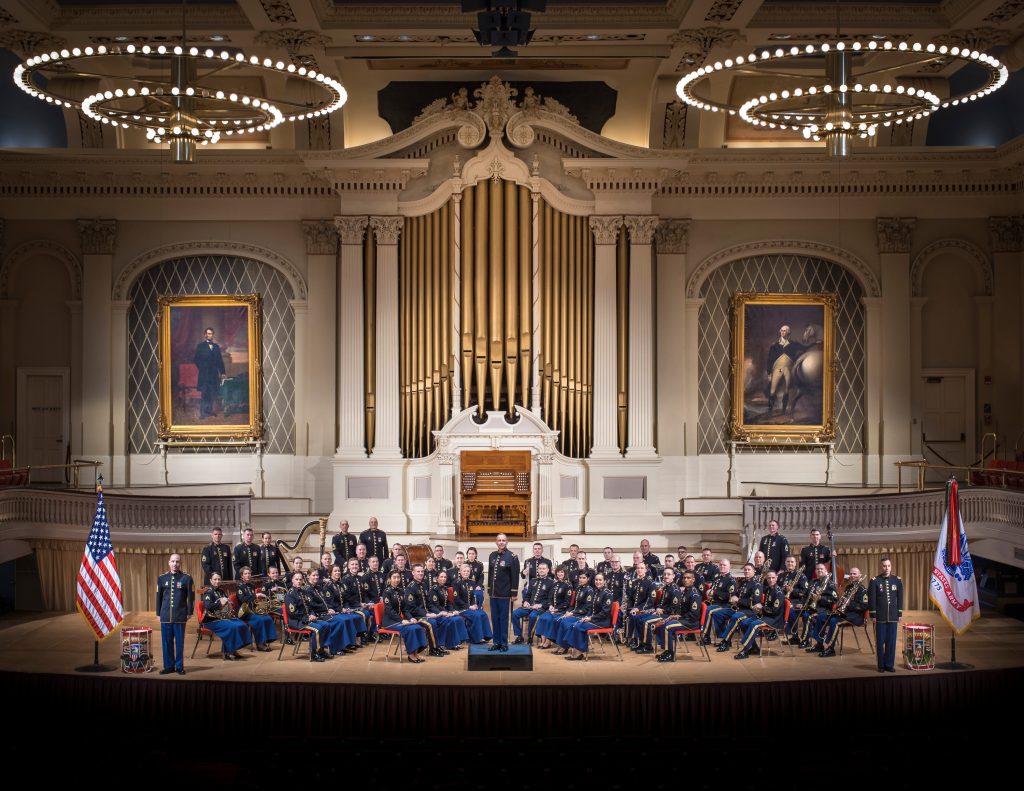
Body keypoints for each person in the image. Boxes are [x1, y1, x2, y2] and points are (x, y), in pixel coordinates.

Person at [730, 570, 785, 660]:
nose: (771, 580)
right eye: (769, 578)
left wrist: (761, 608)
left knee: (754, 625)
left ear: (776, 578)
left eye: (773, 578)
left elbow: (775, 611)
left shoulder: (778, 593)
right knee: (744, 623)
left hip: (774, 619)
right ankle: (754, 647)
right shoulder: (768, 589)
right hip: (765, 616)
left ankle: (745, 650)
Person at [816, 567, 869, 658]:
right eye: (851, 574)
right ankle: (819, 644)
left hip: (856, 616)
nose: (852, 576)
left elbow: (865, 606)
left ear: (859, 576)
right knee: (821, 617)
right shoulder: (848, 587)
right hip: (845, 613)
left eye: (854, 574)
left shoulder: (862, 590)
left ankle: (830, 648)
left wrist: (849, 604)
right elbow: (843, 601)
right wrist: (840, 604)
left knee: (834, 621)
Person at [156, 553, 194, 675]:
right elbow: (158, 597)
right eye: (173, 561)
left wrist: (189, 612)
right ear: (169, 562)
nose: (175, 564)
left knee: (179, 643)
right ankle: (168, 666)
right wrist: (158, 613)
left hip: (180, 615)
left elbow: (191, 597)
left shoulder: (186, 578)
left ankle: (179, 666)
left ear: (180, 563)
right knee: (166, 643)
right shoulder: (162, 578)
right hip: (166, 615)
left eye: (177, 562)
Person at [562, 572, 615, 660]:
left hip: (602, 622)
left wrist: (590, 618)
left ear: (605, 581)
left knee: (578, 627)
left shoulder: (607, 594)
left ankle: (579, 653)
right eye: (596, 580)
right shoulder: (596, 591)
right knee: (574, 624)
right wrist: (586, 617)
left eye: (600, 580)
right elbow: (591, 609)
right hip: (594, 619)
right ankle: (576, 651)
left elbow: (604, 613)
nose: (598, 582)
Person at [380, 570, 428, 663]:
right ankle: (410, 654)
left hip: (399, 620)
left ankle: (416, 653)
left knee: (417, 627)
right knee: (409, 629)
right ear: (390, 579)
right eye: (394, 577)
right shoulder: (386, 592)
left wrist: (410, 618)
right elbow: (389, 610)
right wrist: (401, 620)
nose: (397, 579)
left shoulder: (401, 591)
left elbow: (405, 609)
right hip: (389, 622)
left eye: (398, 577)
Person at [655, 570, 702, 662]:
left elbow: (694, 615)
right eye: (684, 578)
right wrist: (676, 615)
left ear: (693, 580)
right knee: (661, 623)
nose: (685, 580)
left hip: (691, 622)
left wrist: (679, 617)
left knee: (667, 627)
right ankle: (667, 650)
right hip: (684, 619)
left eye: (688, 578)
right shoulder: (686, 591)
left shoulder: (694, 594)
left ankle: (670, 654)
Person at [202, 573, 251, 660]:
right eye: (215, 579)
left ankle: (234, 648)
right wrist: (220, 603)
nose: (217, 581)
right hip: (211, 620)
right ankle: (228, 652)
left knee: (241, 624)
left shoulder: (221, 591)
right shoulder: (208, 592)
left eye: (219, 579)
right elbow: (208, 606)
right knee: (232, 627)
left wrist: (229, 604)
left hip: (222, 618)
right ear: (210, 580)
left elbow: (226, 605)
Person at [284, 570, 331, 662]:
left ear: (302, 581)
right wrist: (307, 617)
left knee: (326, 625)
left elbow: (310, 606)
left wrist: (312, 614)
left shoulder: (303, 592)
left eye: (300, 579)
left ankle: (321, 649)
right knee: (317, 629)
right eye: (296, 579)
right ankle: (314, 653)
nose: (298, 581)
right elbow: (293, 613)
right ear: (292, 580)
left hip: (306, 619)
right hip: (297, 622)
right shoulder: (290, 595)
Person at [718, 563, 763, 654]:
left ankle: (726, 641)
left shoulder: (756, 585)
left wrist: (738, 600)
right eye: (745, 569)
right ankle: (754, 647)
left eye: (748, 569)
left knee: (736, 617)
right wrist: (733, 598)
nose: (746, 571)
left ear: (754, 571)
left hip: (751, 611)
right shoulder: (743, 582)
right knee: (718, 613)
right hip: (740, 609)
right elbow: (738, 595)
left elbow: (754, 602)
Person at [868, 558, 903, 673]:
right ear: (881, 567)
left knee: (891, 642)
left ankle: (889, 665)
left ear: (891, 566)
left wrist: (899, 613)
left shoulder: (897, 580)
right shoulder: (874, 581)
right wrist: (873, 614)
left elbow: (900, 598)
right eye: (884, 566)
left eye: (888, 566)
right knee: (880, 642)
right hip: (880, 617)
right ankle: (881, 665)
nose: (886, 568)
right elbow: (872, 599)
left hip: (893, 616)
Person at [404, 563, 446, 657]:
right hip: (415, 615)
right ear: (413, 573)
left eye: (422, 571)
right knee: (432, 623)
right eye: (418, 571)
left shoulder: (424, 584)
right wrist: (426, 614)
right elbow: (412, 607)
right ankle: (433, 649)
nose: (420, 573)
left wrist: (438, 612)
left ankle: (438, 646)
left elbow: (429, 603)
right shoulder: (410, 588)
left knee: (441, 619)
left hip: (426, 613)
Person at [487, 533, 520, 652]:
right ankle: (496, 642)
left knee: (503, 619)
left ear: (507, 542)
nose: (501, 542)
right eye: (499, 540)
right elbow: (491, 573)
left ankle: (504, 643)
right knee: (494, 618)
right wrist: (490, 589)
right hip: (494, 594)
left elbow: (515, 576)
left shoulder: (512, 556)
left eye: (503, 540)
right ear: (496, 542)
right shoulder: (492, 555)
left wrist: (514, 593)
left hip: (505, 594)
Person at [552, 569, 595, 656]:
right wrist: (568, 611)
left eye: (584, 578)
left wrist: (573, 613)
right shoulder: (578, 588)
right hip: (576, 613)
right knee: (558, 620)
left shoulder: (589, 590)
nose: (581, 580)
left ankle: (565, 646)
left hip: (583, 615)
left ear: (588, 579)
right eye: (580, 578)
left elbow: (587, 608)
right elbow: (573, 604)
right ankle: (561, 645)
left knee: (564, 622)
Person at [766, 324, 806, 415]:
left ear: (788, 332)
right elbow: (769, 360)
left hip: (788, 369)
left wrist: (816, 343)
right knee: (772, 391)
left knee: (786, 390)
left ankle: (783, 411)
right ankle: (770, 411)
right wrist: (769, 373)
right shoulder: (774, 346)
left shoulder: (794, 344)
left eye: (784, 330)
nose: (782, 332)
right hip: (778, 369)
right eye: (781, 330)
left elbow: (804, 348)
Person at [512, 561, 554, 644]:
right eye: (540, 569)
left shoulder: (551, 582)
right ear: (538, 570)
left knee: (532, 616)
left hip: (541, 608)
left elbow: (550, 599)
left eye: (543, 569)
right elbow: (527, 595)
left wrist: (540, 605)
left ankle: (530, 637)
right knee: (515, 613)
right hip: (529, 606)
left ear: (547, 570)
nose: (541, 570)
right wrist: (525, 601)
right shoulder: (532, 581)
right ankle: (519, 636)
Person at [235, 566, 276, 651]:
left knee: (267, 617)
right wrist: (256, 595)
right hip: (244, 612)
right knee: (259, 620)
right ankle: (259, 644)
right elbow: (243, 599)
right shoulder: (239, 587)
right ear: (242, 576)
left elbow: (254, 600)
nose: (248, 575)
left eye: (249, 573)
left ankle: (267, 639)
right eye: (245, 574)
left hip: (253, 610)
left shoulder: (252, 586)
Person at [797, 563, 837, 649]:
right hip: (813, 608)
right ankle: (806, 640)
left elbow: (834, 600)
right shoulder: (813, 582)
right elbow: (806, 595)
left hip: (824, 610)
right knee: (805, 615)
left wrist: (820, 598)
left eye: (821, 569)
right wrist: (802, 603)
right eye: (817, 569)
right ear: (815, 571)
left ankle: (817, 643)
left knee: (808, 617)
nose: (819, 570)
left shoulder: (830, 584)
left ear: (826, 571)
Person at [452, 563, 493, 644]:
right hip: (461, 608)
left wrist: (474, 604)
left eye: (468, 571)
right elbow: (456, 599)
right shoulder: (456, 582)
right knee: (476, 615)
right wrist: (469, 606)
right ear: (460, 572)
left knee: (483, 614)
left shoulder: (472, 582)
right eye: (464, 571)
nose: (466, 573)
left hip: (470, 607)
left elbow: (473, 596)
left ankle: (486, 636)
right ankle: (477, 638)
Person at [428, 569, 469, 649]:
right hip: (437, 613)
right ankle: (450, 644)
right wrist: (446, 612)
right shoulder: (434, 589)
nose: (443, 578)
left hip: (445, 612)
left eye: (445, 577)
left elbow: (448, 603)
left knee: (459, 618)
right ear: (437, 578)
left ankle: (458, 642)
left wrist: (453, 611)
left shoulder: (445, 589)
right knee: (452, 620)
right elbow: (435, 605)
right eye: (441, 577)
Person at [534, 565, 573, 650]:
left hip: (562, 610)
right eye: (558, 572)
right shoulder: (554, 584)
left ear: (565, 573)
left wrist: (557, 609)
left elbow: (567, 602)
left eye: (562, 572)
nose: (560, 573)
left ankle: (548, 642)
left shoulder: (568, 585)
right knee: (542, 618)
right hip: (552, 609)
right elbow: (549, 598)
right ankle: (543, 641)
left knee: (549, 619)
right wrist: (550, 606)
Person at [193, 326, 225, 418]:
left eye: (211, 333)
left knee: (212, 393)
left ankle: (210, 411)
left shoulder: (216, 347)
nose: (209, 335)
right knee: (204, 393)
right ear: (205, 335)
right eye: (208, 333)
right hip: (204, 374)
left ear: (213, 335)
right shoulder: (200, 346)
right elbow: (196, 359)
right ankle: (203, 413)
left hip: (214, 374)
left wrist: (223, 372)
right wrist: (202, 368)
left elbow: (220, 361)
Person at [702, 559, 737, 644]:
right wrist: (709, 592)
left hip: (726, 605)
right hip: (716, 603)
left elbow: (729, 597)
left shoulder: (731, 580)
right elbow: (713, 591)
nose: (722, 566)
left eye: (724, 565)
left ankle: (706, 636)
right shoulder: (718, 578)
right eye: (720, 565)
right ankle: (722, 637)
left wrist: (714, 592)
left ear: (729, 567)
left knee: (709, 610)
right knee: (705, 607)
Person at [623, 562, 655, 649]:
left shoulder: (650, 583)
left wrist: (638, 608)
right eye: (638, 568)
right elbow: (630, 598)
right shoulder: (635, 582)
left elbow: (650, 600)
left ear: (645, 570)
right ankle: (630, 638)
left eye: (641, 568)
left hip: (648, 608)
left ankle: (635, 639)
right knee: (628, 613)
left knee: (634, 615)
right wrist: (629, 607)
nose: (639, 570)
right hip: (635, 609)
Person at [778, 555, 808, 643]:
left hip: (796, 601)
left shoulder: (801, 576)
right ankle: (773, 630)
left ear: (795, 564)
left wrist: (792, 590)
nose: (790, 563)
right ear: (785, 563)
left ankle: (794, 635)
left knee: (789, 608)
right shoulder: (781, 576)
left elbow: (805, 591)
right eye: (788, 562)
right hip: (782, 600)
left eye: (792, 562)